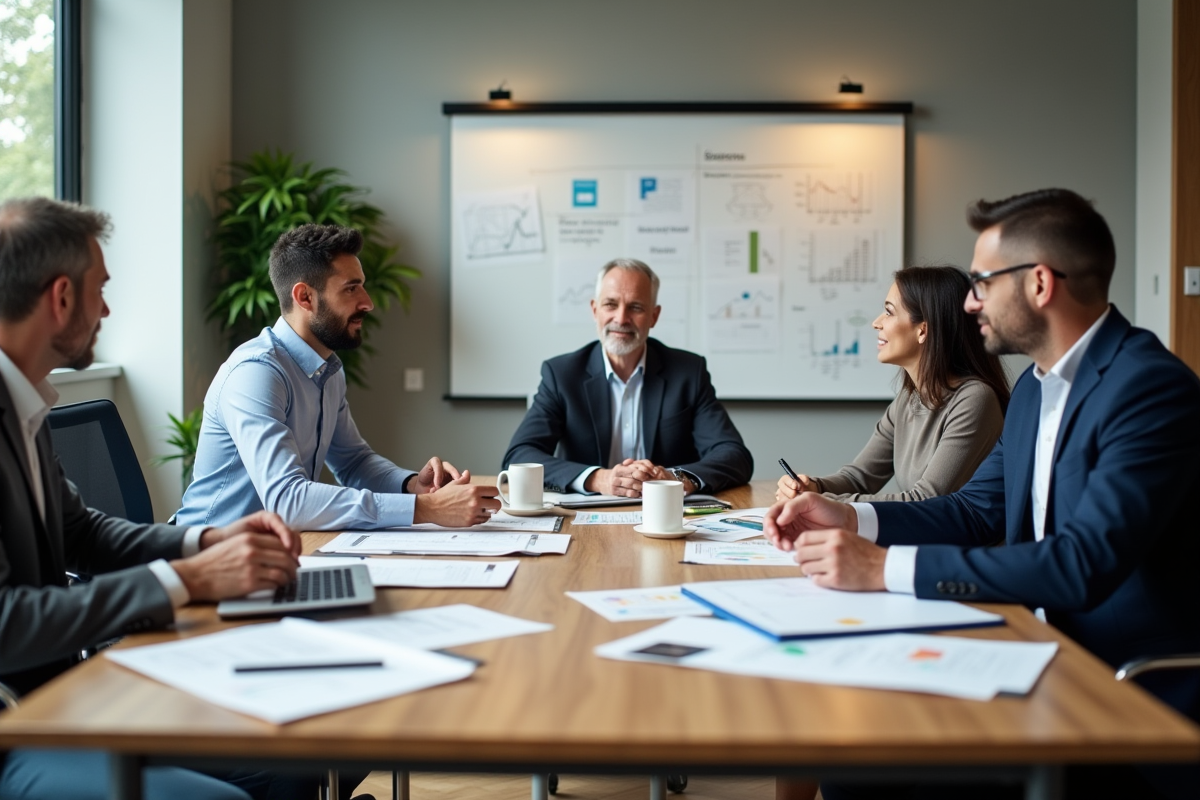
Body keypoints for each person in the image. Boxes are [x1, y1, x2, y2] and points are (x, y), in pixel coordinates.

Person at [764, 189, 1200, 800]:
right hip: (1028, 648)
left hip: (1120, 688)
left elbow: (1082, 565)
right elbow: (974, 511)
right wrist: (849, 516)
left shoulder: (1148, 390)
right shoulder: (1032, 391)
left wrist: (885, 567)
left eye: (982, 282)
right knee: (852, 746)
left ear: (1040, 284)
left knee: (865, 771)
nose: (969, 303)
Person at [0, 197, 363, 800]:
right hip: (21, 724)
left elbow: (82, 534)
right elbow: (7, 623)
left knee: (322, 744)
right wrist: (187, 580)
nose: (107, 309)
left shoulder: (23, 404)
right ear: (62, 297)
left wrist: (206, 541)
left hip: (68, 692)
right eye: (101, 291)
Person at [176, 224, 499, 530]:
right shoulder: (256, 374)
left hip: (276, 552)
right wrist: (428, 510)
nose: (368, 303)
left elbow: (354, 462)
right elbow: (287, 501)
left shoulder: (327, 369)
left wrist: (413, 486)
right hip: (209, 560)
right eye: (351, 288)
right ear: (305, 298)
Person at [503, 258, 753, 497]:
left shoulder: (688, 372)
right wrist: (599, 479)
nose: (621, 319)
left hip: (667, 514)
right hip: (586, 515)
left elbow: (734, 455)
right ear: (595, 310)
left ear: (654, 316)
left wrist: (675, 478)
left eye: (635, 307)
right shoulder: (562, 374)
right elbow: (519, 456)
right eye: (610, 304)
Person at [776, 266, 1009, 504]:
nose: (876, 323)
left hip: (960, 542)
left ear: (922, 330)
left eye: (888, 312)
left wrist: (826, 503)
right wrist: (813, 487)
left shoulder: (975, 399)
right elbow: (859, 478)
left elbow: (925, 500)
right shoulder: (908, 400)